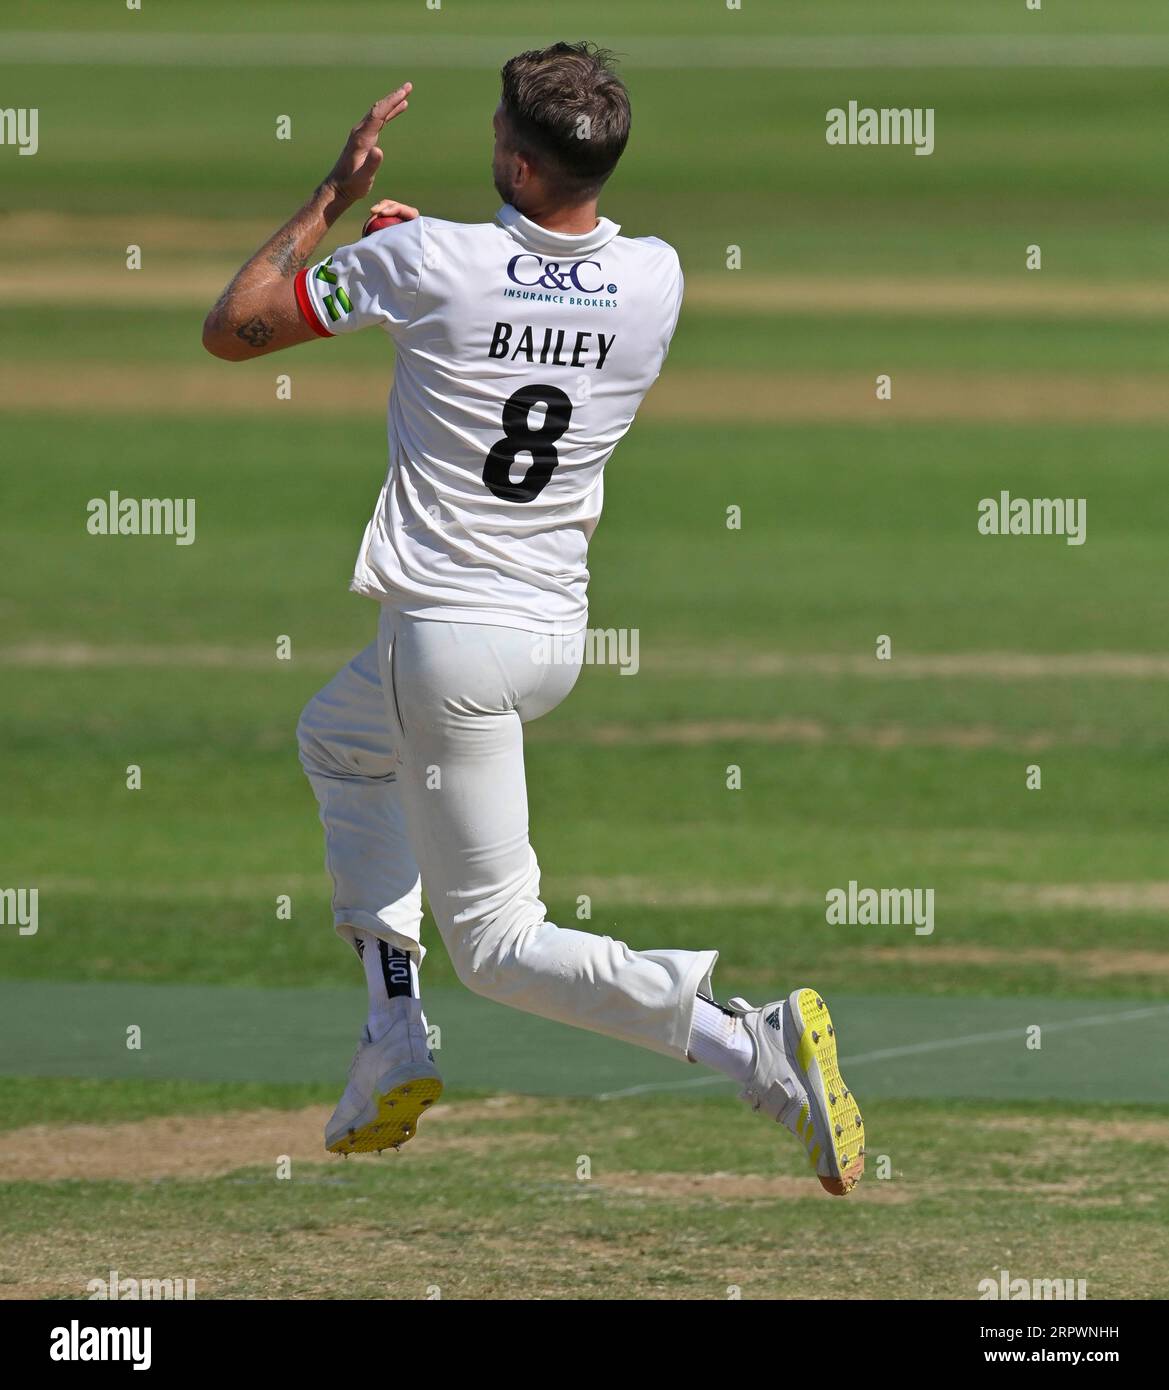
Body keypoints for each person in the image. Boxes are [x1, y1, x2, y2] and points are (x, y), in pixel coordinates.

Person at [202, 41, 863, 1195]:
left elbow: (235, 322)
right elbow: (522, 286)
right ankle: (388, 1032)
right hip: (550, 635)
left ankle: (748, 1045)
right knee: (338, 739)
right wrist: (420, 253)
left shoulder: (425, 258)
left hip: (447, 640)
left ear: (510, 153)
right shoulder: (656, 276)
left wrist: (333, 201)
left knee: (502, 949)